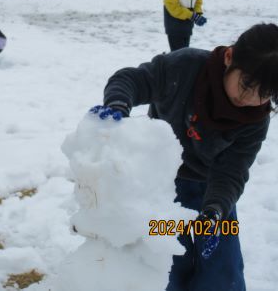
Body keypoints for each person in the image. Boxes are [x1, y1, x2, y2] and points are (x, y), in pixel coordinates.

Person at [91, 23, 278, 291]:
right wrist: (118, 104)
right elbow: (131, 79)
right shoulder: (185, 67)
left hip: (212, 189)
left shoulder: (256, 119)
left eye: (266, 94)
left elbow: (232, 171)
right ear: (229, 57)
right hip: (163, 185)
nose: (250, 98)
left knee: (222, 270)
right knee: (167, 260)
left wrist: (215, 212)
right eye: (247, 84)